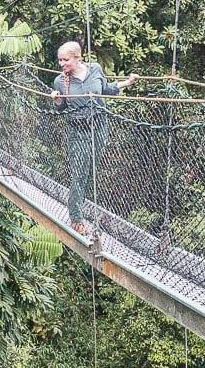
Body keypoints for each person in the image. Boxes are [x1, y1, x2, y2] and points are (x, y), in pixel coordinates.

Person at [49, 41, 138, 235]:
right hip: (77, 130)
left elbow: (106, 89)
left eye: (66, 60)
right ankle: (76, 217)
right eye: (60, 60)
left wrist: (127, 83)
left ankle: (79, 207)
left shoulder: (95, 69)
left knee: (90, 171)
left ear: (78, 57)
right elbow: (61, 108)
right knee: (79, 172)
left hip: (99, 126)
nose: (62, 64)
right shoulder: (60, 81)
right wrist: (57, 100)